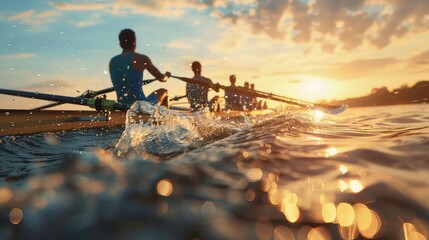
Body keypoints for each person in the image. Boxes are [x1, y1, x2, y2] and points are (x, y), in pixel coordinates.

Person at [109, 29, 170, 106]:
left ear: (120, 44)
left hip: (122, 106)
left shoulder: (113, 61)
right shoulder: (141, 58)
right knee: (164, 91)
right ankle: (162, 116)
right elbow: (162, 78)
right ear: (134, 42)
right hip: (141, 106)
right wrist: (167, 75)